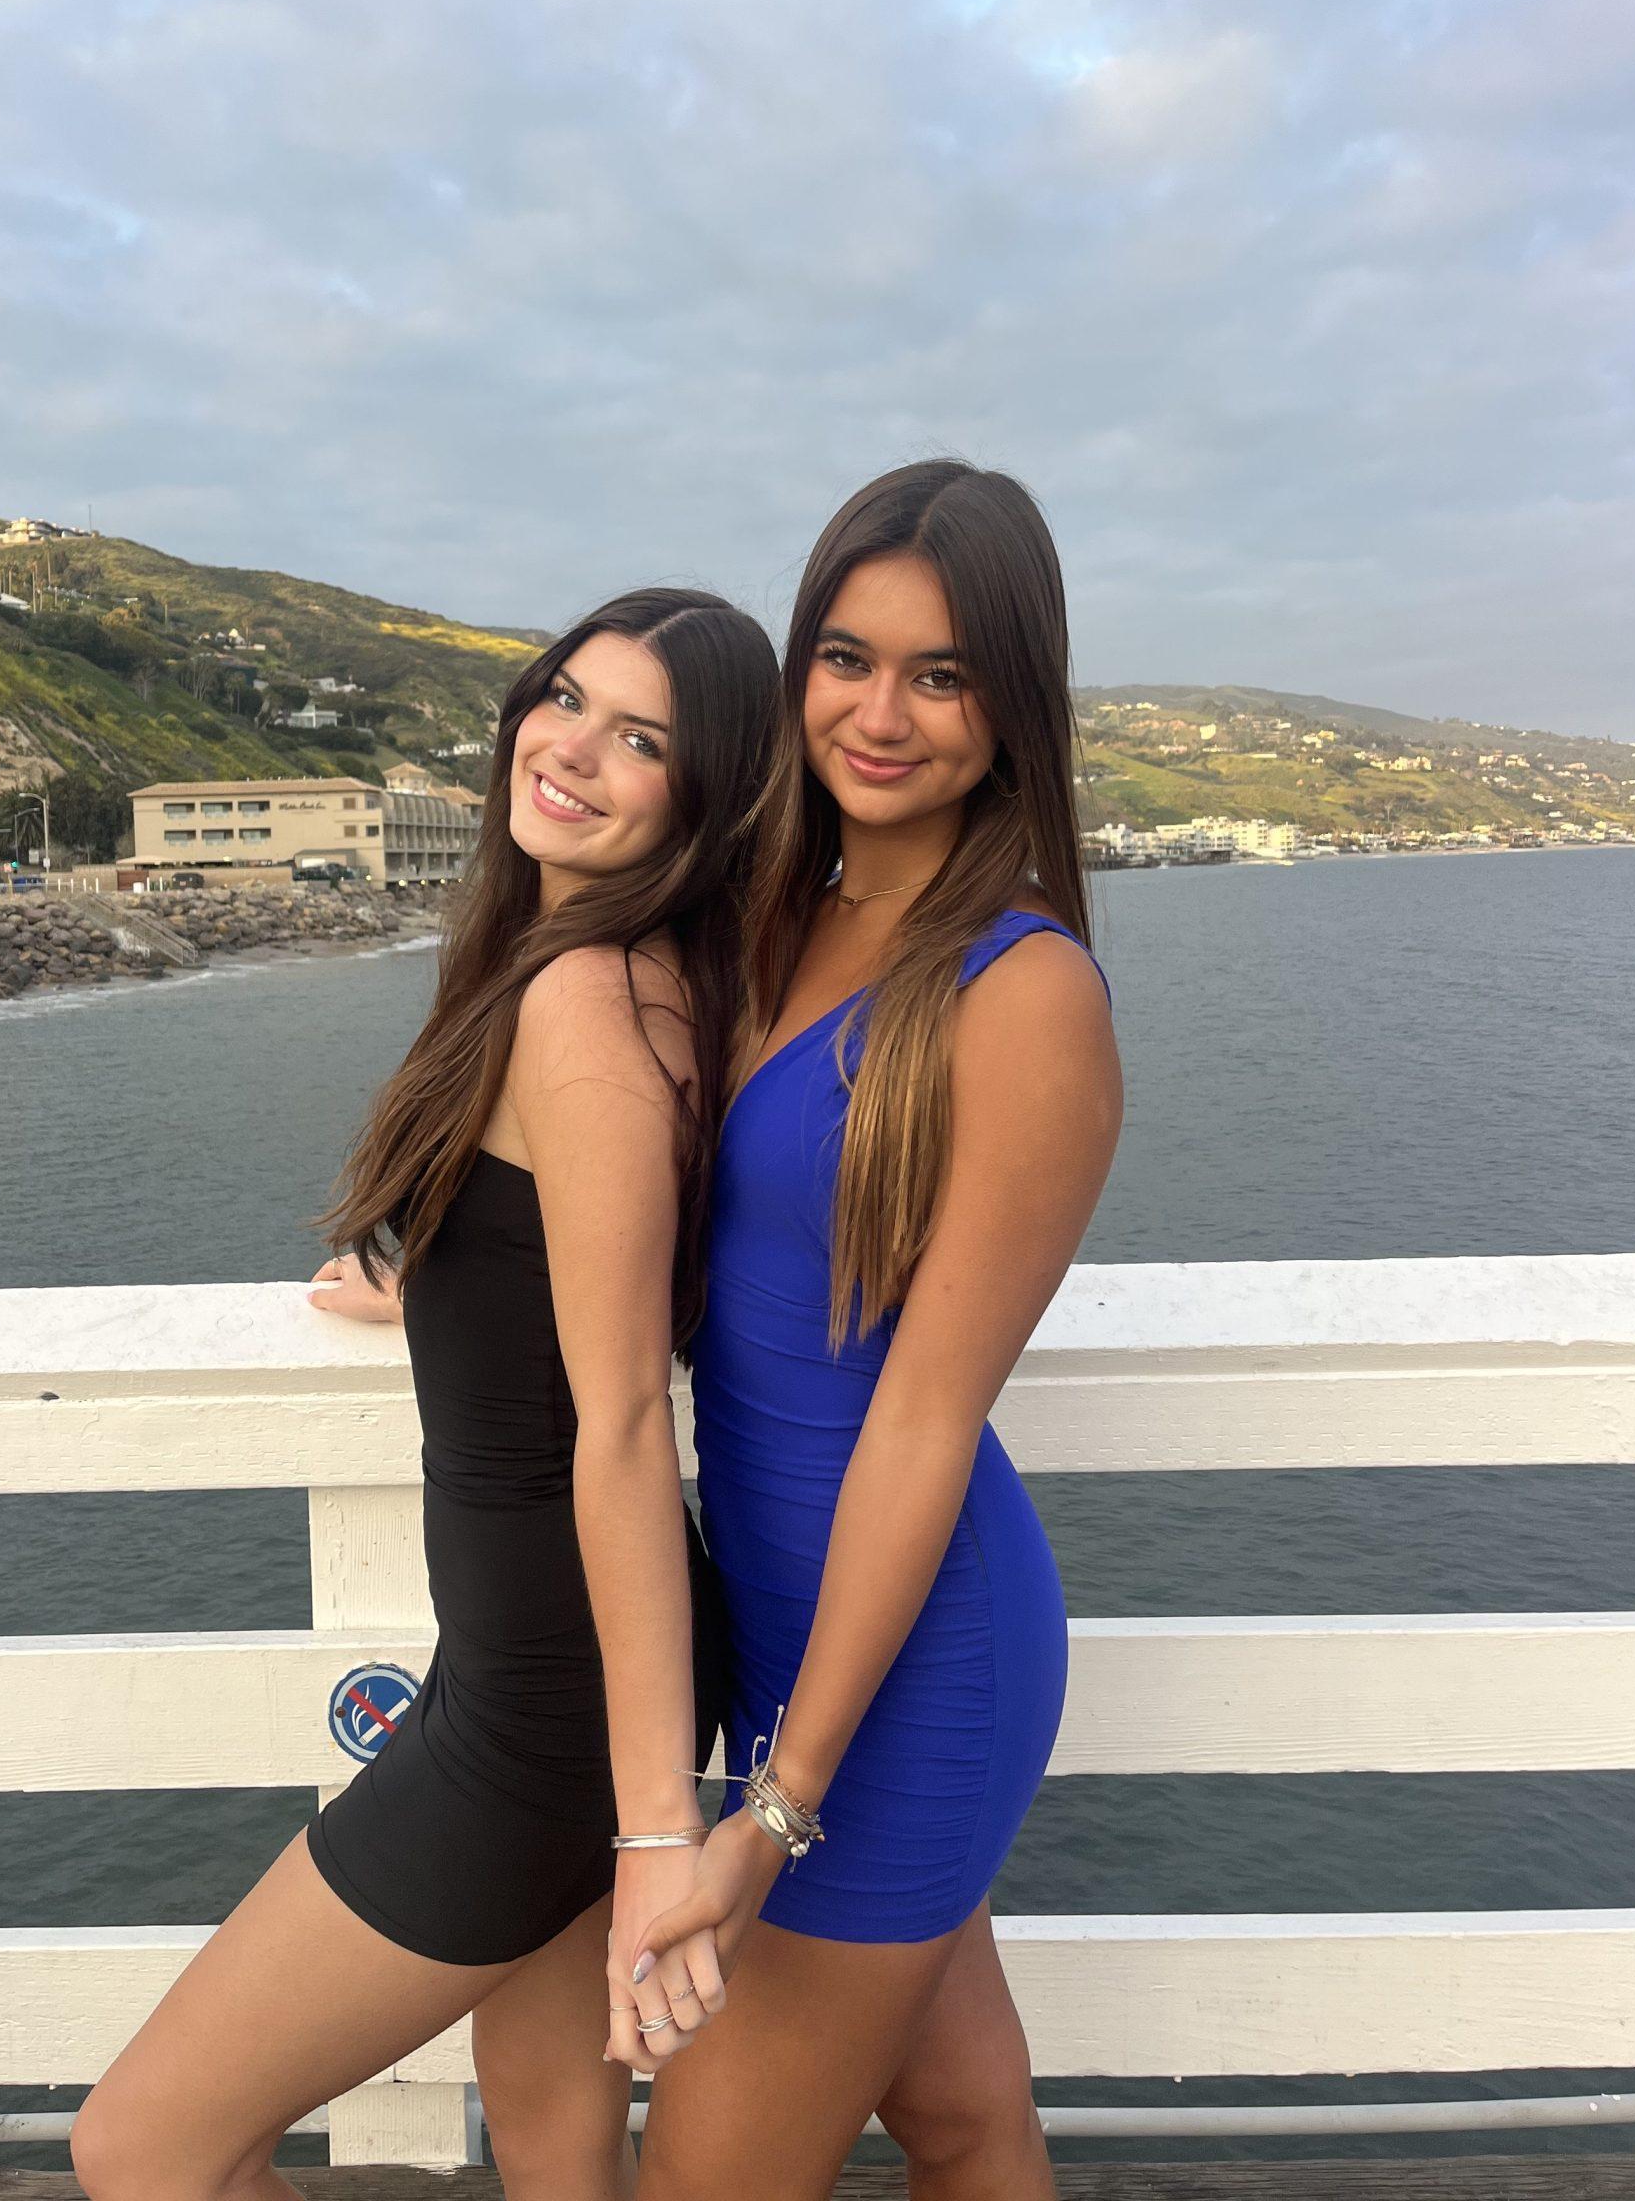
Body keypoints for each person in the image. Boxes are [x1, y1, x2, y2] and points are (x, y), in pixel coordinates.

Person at [71, 588, 778, 2201]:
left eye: (644, 739)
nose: (575, 749)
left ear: (707, 794)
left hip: (546, 1719)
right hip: (560, 1682)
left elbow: (616, 1424)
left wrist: (657, 1816)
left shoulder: (580, 1004)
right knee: (549, 2137)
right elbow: (595, 1286)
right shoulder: (646, 981)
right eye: (567, 699)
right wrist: (442, 1296)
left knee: (146, 2150)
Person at [632, 463, 1124, 2201]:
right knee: (961, 2115)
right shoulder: (779, 916)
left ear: (1012, 712)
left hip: (908, 1666)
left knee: (703, 2176)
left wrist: (777, 1804)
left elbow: (921, 1422)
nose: (882, 711)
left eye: (943, 674)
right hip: (793, 1629)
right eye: (848, 656)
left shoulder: (1023, 990)